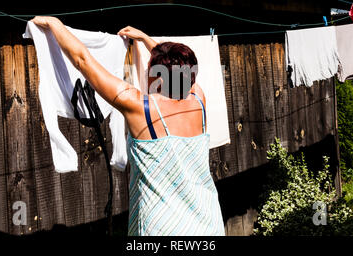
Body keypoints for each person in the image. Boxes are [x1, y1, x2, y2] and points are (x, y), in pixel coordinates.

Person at [30, 16, 225, 236]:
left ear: (159, 79)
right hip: (208, 223)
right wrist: (144, 39)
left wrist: (56, 24)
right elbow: (178, 70)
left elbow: (83, 60)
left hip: (163, 229)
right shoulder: (198, 98)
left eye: (150, 70)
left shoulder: (141, 108)